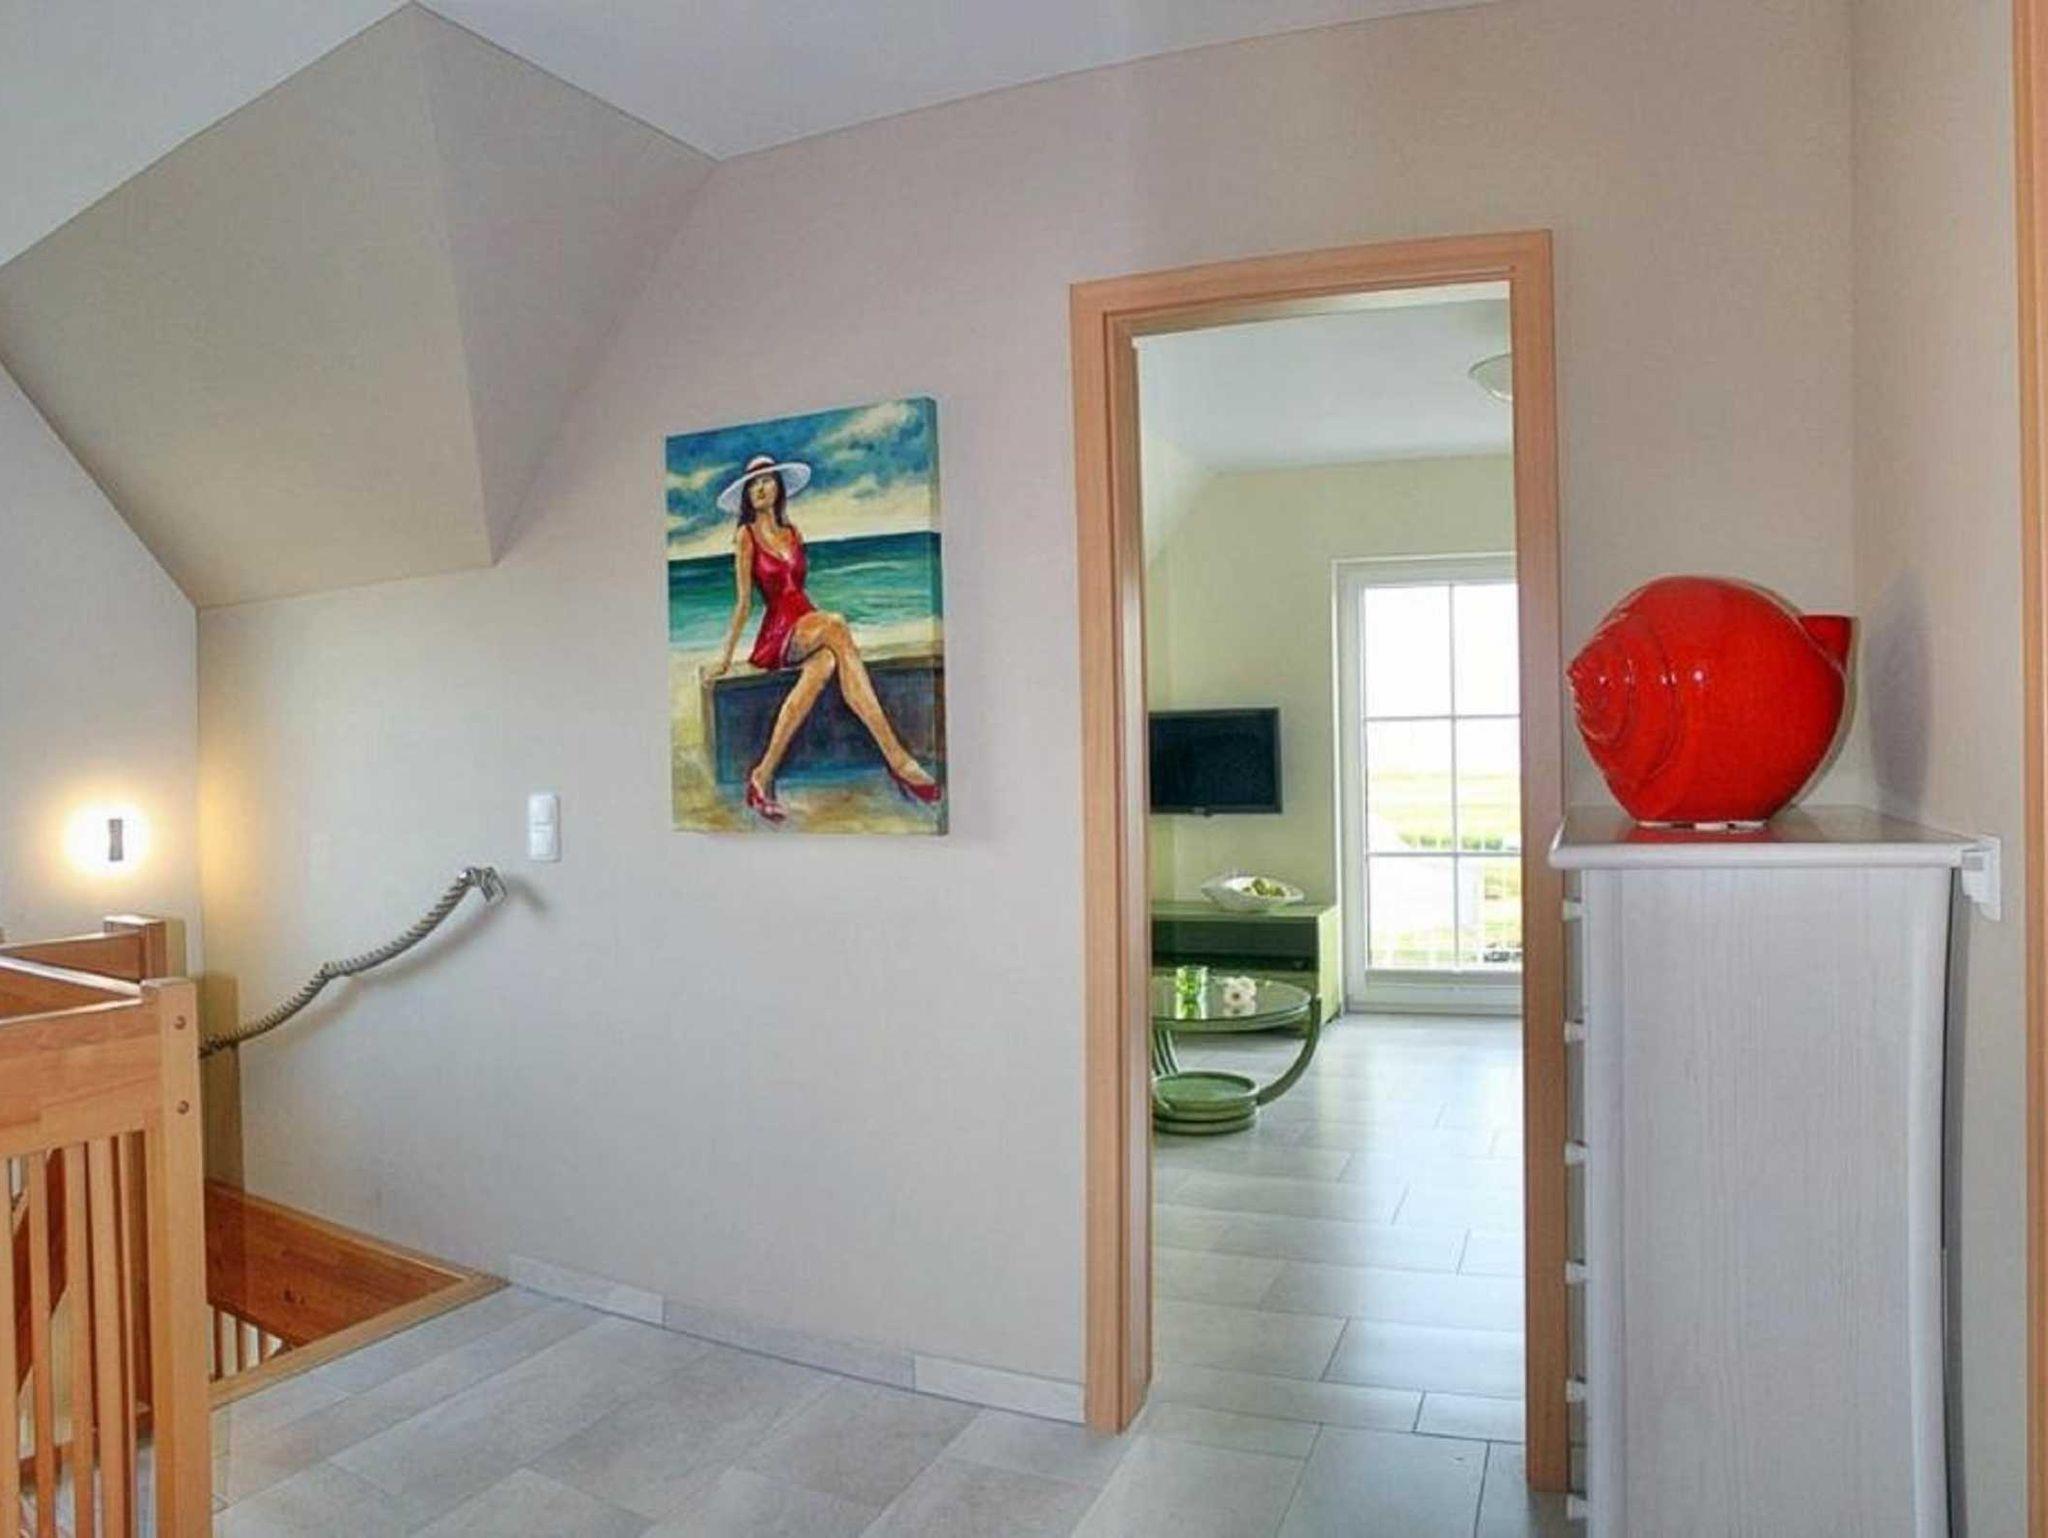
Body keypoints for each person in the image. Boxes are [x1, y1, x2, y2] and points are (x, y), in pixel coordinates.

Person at [706, 453, 942, 821]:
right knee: (836, 625)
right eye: (753, 484)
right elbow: (743, 603)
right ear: (747, 496)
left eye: (767, 481)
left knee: (827, 662)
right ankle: (898, 760)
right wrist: (724, 657)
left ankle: (762, 775)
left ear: (778, 488)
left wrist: (811, 624)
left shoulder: (793, 533)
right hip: (779, 632)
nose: (761, 488)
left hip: (805, 622)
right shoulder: (745, 536)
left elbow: (798, 590)